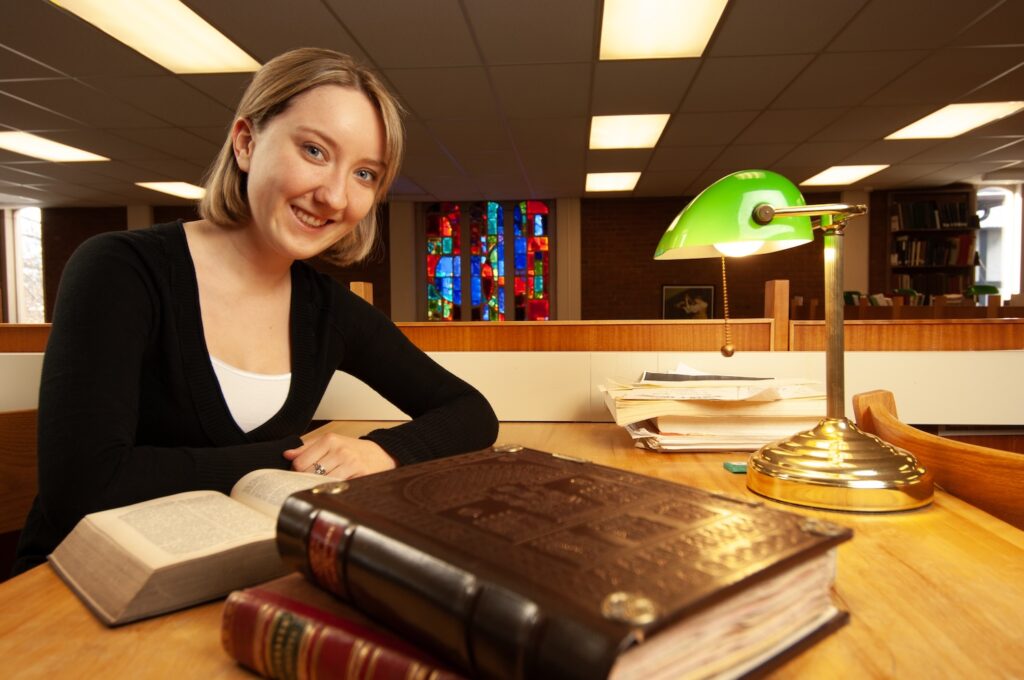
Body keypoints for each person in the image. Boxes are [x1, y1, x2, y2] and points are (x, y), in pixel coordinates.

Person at [12, 48, 498, 574]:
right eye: (314, 150)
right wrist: (292, 456)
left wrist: (381, 451)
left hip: (223, 574)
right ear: (246, 143)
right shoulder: (121, 269)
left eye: (364, 174)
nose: (335, 197)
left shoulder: (328, 309)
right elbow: (84, 487)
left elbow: (471, 412)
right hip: (76, 582)